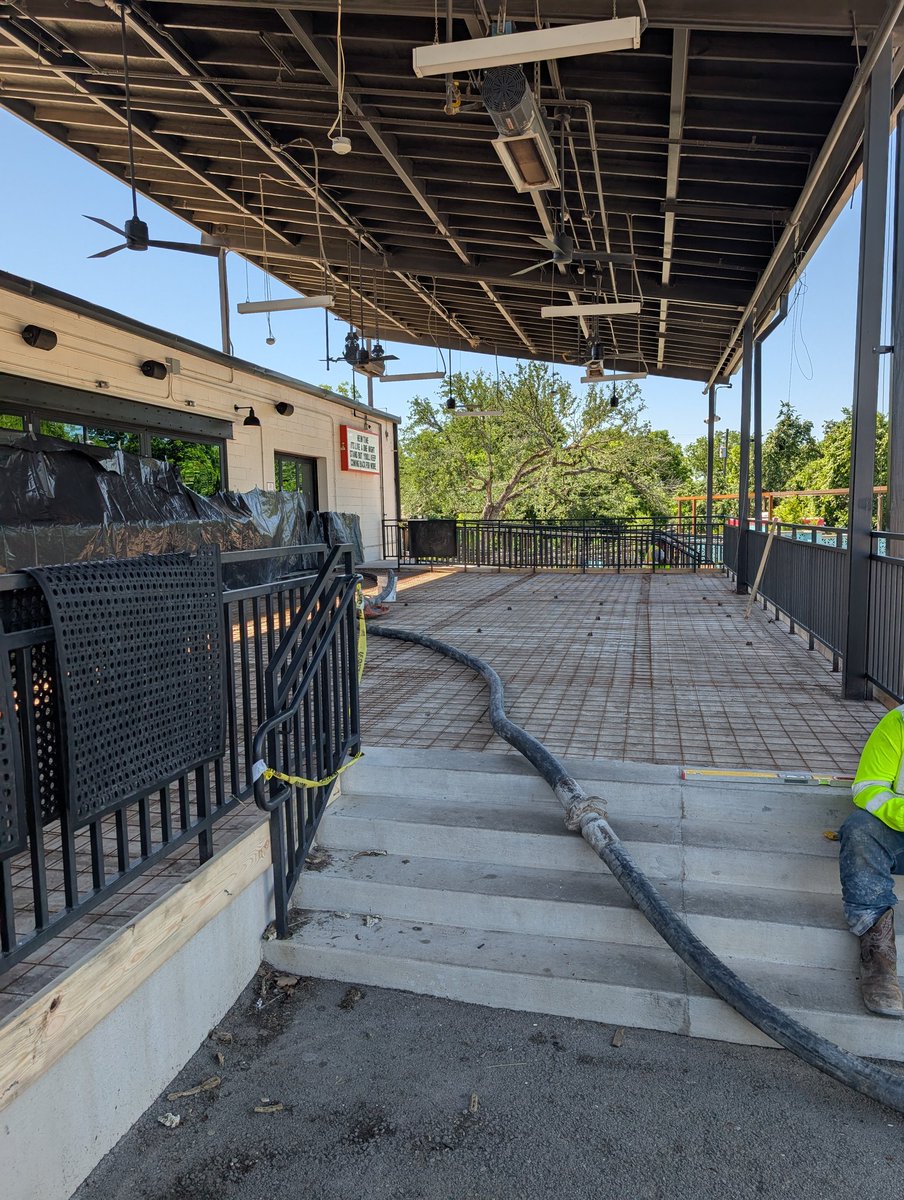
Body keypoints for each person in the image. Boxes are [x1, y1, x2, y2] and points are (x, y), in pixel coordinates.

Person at [840, 705, 904, 1017]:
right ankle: (879, 957)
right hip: (899, 834)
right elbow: (868, 788)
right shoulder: (900, 721)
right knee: (859, 831)